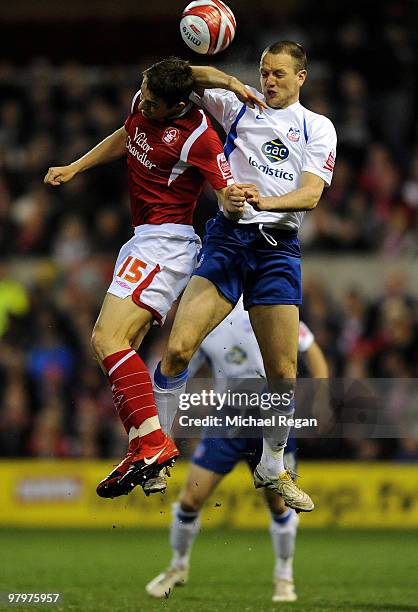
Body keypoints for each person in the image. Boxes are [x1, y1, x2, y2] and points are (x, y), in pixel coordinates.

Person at [136, 41, 337, 512]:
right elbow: (176, 75)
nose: (269, 81)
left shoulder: (318, 127)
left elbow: (310, 195)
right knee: (179, 348)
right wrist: (229, 81)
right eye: (265, 72)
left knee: (283, 372)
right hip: (228, 240)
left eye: (280, 75)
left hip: (277, 251)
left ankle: (272, 466)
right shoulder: (240, 102)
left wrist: (262, 202)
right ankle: (157, 452)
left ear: (301, 77)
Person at [43, 57, 256, 498]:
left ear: (176, 105)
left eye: (154, 103)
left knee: (107, 339)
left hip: (167, 245)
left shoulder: (200, 137)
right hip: (143, 240)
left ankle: (153, 442)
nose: (144, 104)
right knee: (125, 346)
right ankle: (144, 445)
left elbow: (225, 192)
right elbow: (127, 135)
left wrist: (234, 200)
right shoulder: (148, 98)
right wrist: (76, 166)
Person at [145, 301, 329, 603]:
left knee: (279, 506)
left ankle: (284, 576)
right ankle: (177, 566)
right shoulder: (208, 314)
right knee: (190, 499)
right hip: (226, 418)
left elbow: (312, 351)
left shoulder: (271, 303)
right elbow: (181, 364)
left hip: (270, 418)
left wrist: (323, 397)